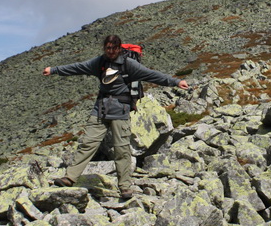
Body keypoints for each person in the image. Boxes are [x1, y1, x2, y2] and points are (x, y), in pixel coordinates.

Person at [42, 34, 189, 198]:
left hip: (120, 111)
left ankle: (125, 187)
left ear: (119, 49)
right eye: (107, 48)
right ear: (104, 48)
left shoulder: (129, 64)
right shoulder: (99, 62)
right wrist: (54, 70)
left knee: (121, 149)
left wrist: (175, 82)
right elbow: (77, 67)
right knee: (88, 143)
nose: (110, 51)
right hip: (100, 109)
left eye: (113, 48)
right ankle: (70, 178)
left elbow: (152, 75)